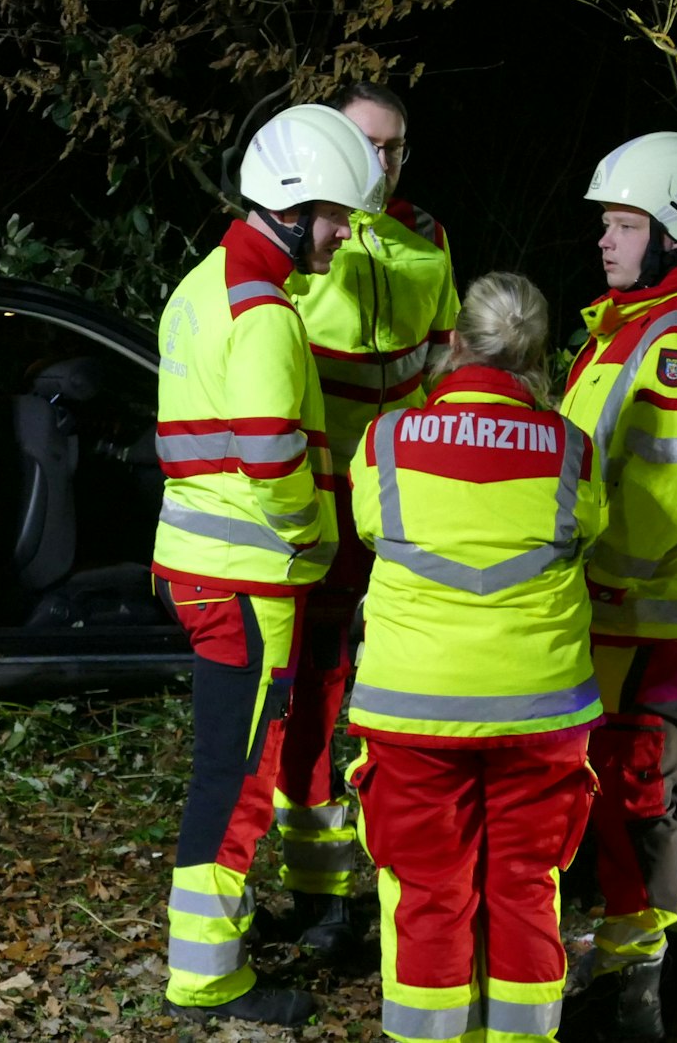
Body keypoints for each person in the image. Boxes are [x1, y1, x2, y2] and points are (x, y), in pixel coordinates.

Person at [152, 102, 386, 1025]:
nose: (343, 233)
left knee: (229, 764)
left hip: (201, 566)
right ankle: (207, 977)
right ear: (291, 208)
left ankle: (210, 956)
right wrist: (315, 537)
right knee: (238, 775)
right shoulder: (265, 313)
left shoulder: (201, 287)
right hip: (249, 580)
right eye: (335, 216)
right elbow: (270, 452)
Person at [346, 272, 607, 1043]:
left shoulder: (386, 439)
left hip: (414, 706)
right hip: (541, 709)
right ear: (537, 358)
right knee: (525, 885)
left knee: (429, 888)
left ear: (456, 341)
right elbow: (591, 528)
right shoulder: (573, 448)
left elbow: (368, 524)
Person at [558, 132, 677, 1040]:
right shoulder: (655, 324)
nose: (606, 238)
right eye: (606, 222)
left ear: (675, 234)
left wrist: (589, 576)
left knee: (627, 785)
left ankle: (632, 980)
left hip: (643, 609)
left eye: (625, 224)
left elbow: (659, 497)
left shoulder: (675, 340)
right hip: (672, 610)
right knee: (675, 781)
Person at [270, 81, 464, 950]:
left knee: (408, 687)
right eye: (365, 144)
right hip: (322, 501)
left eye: (393, 147)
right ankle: (317, 887)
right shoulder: (306, 239)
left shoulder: (429, 240)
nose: (380, 162)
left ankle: (411, 873)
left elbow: (447, 368)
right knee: (315, 687)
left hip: (408, 506)